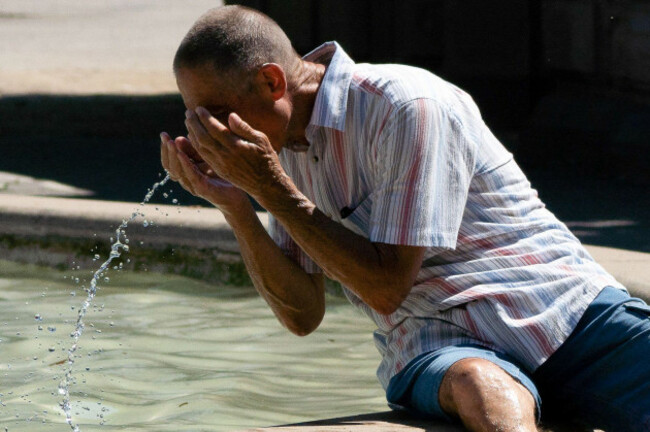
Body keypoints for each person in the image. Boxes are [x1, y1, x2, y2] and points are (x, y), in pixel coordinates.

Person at [160, 5, 650, 432]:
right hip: (441, 345)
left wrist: (270, 188)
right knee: (479, 387)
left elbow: (384, 281)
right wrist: (237, 205)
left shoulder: (405, 105)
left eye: (215, 114)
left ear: (272, 82)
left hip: (563, 314)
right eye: (193, 118)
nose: (208, 135)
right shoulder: (274, 154)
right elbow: (303, 316)